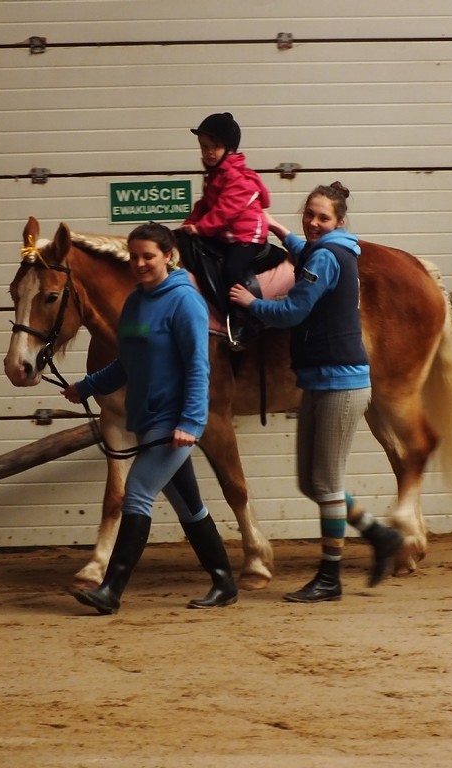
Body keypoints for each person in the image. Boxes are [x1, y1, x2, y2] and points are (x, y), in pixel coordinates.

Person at [228, 182, 403, 603]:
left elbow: (294, 310)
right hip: (319, 380)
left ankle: (330, 577)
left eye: (323, 217)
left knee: (325, 484)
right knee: (310, 482)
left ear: (339, 222)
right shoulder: (326, 250)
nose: (313, 222)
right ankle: (379, 535)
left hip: (340, 383)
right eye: (309, 214)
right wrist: (278, 230)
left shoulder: (326, 256)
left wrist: (250, 304)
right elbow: (306, 251)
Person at [62, 222, 237, 614]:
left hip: (173, 421)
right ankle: (224, 582)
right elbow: (127, 362)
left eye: (148, 256)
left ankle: (111, 590)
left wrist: (191, 422)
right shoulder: (136, 303)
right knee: (191, 507)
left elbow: (198, 367)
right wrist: (86, 387)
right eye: (134, 256)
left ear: (167, 256)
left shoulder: (185, 302)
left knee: (138, 493)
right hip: (145, 419)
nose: (140, 263)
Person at [180, 111, 273, 350]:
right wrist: (187, 224)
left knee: (232, 269)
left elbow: (225, 211)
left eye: (216, 147)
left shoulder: (237, 178)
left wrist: (200, 228)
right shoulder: (214, 175)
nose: (209, 152)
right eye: (204, 146)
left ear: (229, 149)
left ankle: (245, 319)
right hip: (225, 234)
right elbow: (204, 205)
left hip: (246, 236)